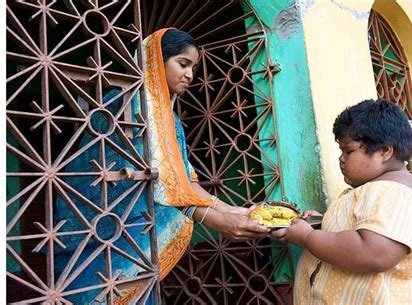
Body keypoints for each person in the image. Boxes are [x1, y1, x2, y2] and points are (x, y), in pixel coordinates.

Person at [54, 28, 269, 304]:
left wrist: (234, 211)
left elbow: (183, 182)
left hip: (140, 233)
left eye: (193, 67)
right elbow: (159, 182)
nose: (190, 75)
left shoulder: (171, 120)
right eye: (183, 64)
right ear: (155, 60)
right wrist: (217, 220)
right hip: (107, 232)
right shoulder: (122, 106)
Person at [272, 99, 412, 304]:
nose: (341, 158)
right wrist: (325, 223)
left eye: (348, 151)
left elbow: (374, 251)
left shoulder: (395, 193)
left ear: (385, 151)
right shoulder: (376, 189)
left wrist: (307, 237)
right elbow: (370, 227)